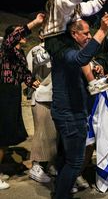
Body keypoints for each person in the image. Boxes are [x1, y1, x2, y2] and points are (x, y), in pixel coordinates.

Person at [50, 13, 108, 199]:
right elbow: (80, 59)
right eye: (85, 33)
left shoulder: (70, 50)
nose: (88, 36)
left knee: (66, 158)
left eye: (89, 33)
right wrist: (102, 31)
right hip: (69, 114)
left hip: (72, 111)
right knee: (75, 162)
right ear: (73, 34)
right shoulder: (65, 52)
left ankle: (60, 191)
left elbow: (84, 68)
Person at [41, 0, 107, 96]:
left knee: (81, 54)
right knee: (79, 57)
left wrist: (97, 4)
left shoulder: (74, 7)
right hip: (55, 38)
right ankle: (91, 82)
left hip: (65, 36)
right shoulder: (58, 2)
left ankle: (92, 82)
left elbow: (86, 7)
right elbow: (65, 0)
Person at [0, 13, 45, 190]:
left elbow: (22, 72)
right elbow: (11, 39)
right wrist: (34, 23)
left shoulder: (18, 53)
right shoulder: (7, 48)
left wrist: (30, 80)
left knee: (4, 136)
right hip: (3, 91)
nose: (22, 35)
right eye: (18, 32)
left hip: (12, 93)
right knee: (1, 135)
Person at [26, 34, 57, 184]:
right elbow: (29, 70)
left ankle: (49, 164)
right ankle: (36, 166)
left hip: (56, 96)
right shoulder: (36, 50)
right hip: (41, 96)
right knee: (41, 133)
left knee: (53, 135)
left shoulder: (59, 49)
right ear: (41, 35)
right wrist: (31, 81)